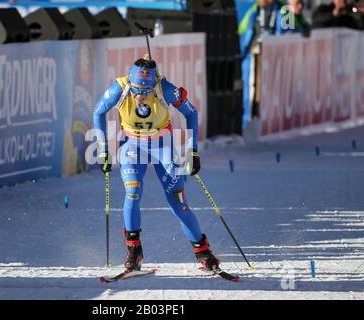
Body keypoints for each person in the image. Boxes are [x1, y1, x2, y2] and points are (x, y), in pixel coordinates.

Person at [93, 55, 220, 272]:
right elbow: (98, 111)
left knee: (178, 202)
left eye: (146, 91)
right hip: (132, 146)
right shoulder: (120, 87)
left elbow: (191, 113)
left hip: (164, 146)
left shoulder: (165, 88)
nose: (141, 96)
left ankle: (203, 251)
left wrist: (193, 151)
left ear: (154, 83)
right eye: (137, 90)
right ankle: (134, 251)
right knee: (132, 193)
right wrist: (103, 149)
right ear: (130, 82)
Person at [238, 0, 286, 128]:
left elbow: (289, 34)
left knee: (269, 87)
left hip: (274, 57)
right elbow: (243, 31)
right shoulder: (254, 10)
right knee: (249, 87)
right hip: (253, 54)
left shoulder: (284, 9)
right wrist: (242, 53)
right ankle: (248, 120)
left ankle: (267, 119)